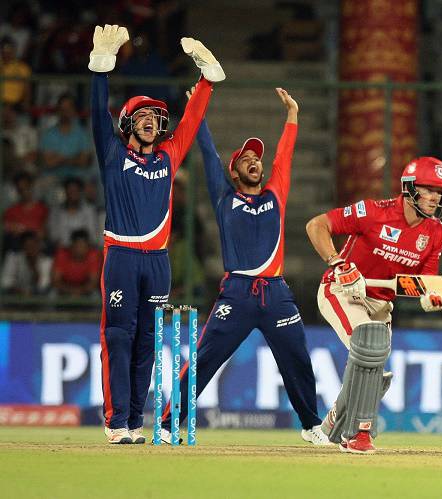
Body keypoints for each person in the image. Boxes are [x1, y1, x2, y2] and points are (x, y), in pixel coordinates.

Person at [158, 87, 329, 446]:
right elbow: (205, 152)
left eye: (257, 158)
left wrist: (293, 115)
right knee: (204, 360)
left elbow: (285, 156)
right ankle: (170, 423)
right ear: (234, 171)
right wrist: (198, 110)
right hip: (236, 294)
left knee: (297, 359)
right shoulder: (224, 196)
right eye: (246, 159)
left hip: (276, 294)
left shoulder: (274, 195)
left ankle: (312, 425)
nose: (255, 161)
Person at [88, 24, 224, 444]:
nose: (150, 121)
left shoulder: (169, 154)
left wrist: (206, 81)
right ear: (129, 123)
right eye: (142, 116)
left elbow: (192, 120)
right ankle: (115, 423)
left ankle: (133, 422)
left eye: (156, 117)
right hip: (123, 257)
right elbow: (97, 115)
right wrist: (100, 70)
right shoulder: (113, 153)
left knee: (148, 338)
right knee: (118, 335)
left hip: (158, 262)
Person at [306, 156, 442, 453]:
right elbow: (316, 225)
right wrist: (338, 264)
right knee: (370, 347)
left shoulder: (434, 232)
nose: (436, 196)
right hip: (343, 290)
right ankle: (359, 435)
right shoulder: (373, 212)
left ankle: (331, 424)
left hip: (381, 304)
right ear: (410, 188)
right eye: (429, 189)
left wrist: (431, 295)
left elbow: (423, 281)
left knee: (368, 360)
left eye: (440, 191)